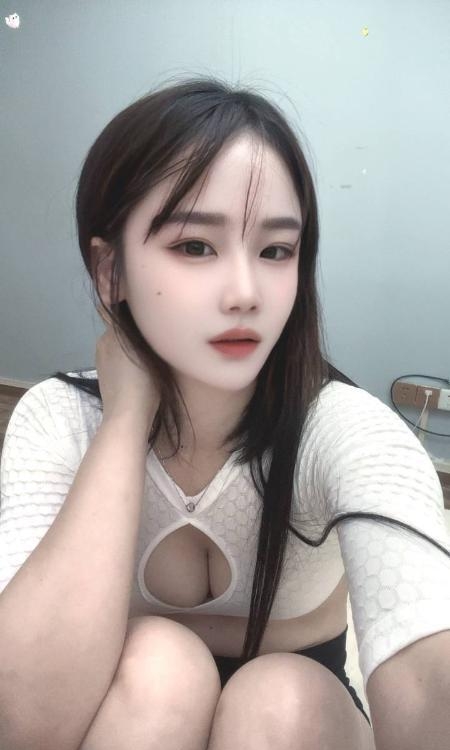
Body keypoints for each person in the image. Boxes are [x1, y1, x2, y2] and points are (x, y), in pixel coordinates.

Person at [0, 75, 449, 750]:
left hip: (298, 721)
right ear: (110, 270)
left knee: (278, 695)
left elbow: (427, 673)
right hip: (123, 711)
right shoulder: (59, 419)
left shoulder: (342, 430)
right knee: (161, 667)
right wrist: (124, 421)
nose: (246, 293)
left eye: (276, 251)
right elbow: (23, 722)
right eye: (195, 246)